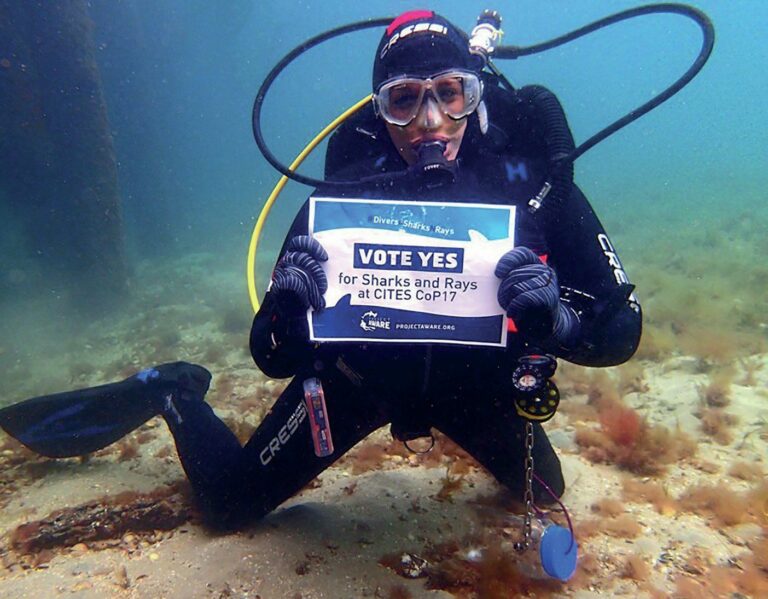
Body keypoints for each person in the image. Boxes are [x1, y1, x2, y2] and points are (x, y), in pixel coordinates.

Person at [0, 11, 641, 530]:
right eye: (404, 100)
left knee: (543, 490)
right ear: (378, 107)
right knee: (228, 504)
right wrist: (287, 307)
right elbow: (271, 352)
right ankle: (172, 390)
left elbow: (622, 327)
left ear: (474, 96)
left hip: (478, 385)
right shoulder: (347, 195)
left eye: (450, 93)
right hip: (357, 378)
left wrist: (556, 319)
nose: (430, 123)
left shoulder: (533, 183)